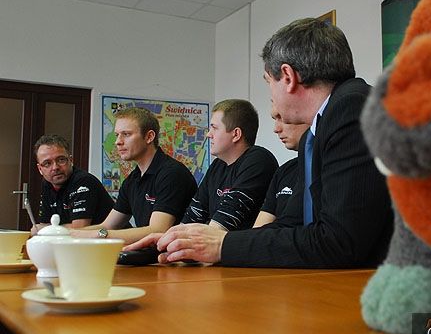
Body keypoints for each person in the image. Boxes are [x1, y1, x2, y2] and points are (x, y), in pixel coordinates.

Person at [127, 18, 394, 268]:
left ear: (288, 77)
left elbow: (339, 242)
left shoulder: (351, 109)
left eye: (268, 82)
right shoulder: (322, 127)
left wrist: (222, 245)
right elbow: (293, 223)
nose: (271, 97)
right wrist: (192, 242)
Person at [70, 107, 197, 245]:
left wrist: (97, 235)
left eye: (126, 134)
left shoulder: (172, 173)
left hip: (180, 255)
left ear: (149, 137)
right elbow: (108, 226)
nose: (118, 141)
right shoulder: (132, 180)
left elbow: (157, 230)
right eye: (117, 135)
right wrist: (66, 234)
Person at [181, 99, 278, 230]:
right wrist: (170, 238)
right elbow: (194, 215)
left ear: (236, 134)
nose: (208, 134)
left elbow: (223, 223)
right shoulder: (218, 165)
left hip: (238, 242)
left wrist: (181, 238)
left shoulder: (259, 160)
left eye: (214, 128)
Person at [32, 134, 114, 234]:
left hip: (112, 240)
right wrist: (45, 229)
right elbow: (44, 224)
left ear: (71, 160)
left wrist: (47, 229)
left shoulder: (84, 181)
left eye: (61, 160)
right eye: (47, 163)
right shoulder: (47, 183)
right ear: (40, 169)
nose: (55, 167)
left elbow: (79, 229)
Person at [253, 106, 309, 227]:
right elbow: (258, 230)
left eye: (283, 118)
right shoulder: (284, 170)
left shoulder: (326, 169)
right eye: (275, 119)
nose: (276, 129)